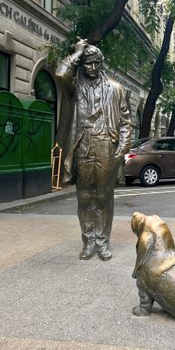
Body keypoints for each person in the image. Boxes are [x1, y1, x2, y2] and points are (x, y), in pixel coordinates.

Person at [56, 38, 131, 261]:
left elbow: (126, 122)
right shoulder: (74, 87)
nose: (93, 67)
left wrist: (121, 150)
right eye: (88, 63)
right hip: (83, 146)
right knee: (85, 197)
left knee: (104, 197)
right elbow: (60, 74)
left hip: (106, 146)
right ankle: (88, 241)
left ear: (101, 63)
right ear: (82, 64)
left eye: (96, 62)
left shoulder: (116, 89)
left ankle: (103, 241)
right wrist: (77, 52)